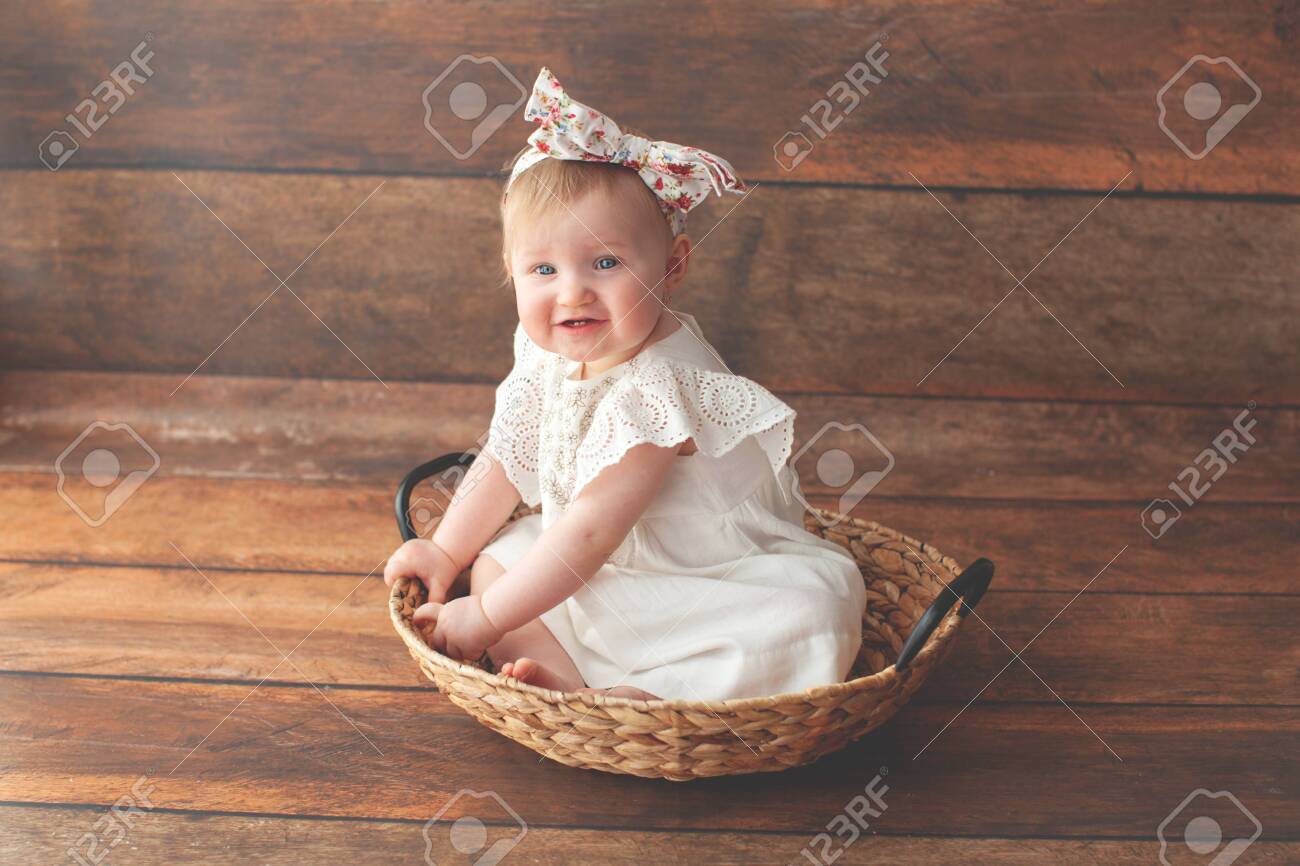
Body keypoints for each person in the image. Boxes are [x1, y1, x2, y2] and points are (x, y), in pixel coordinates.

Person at [384, 66, 865, 702]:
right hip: (595, 570)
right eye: (543, 269)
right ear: (511, 271)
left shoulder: (658, 390)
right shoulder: (548, 353)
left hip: (696, 582)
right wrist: (448, 552)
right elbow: (507, 455)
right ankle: (559, 679)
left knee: (811, 615)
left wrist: (488, 616)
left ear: (672, 265)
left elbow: (590, 531)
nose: (572, 292)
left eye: (606, 263)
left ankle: (653, 696)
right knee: (502, 553)